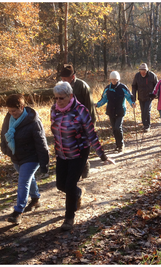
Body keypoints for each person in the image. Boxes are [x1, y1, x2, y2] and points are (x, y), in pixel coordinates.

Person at [51, 81, 115, 231]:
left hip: (79, 153)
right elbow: (55, 132)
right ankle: (78, 193)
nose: (58, 101)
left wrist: (103, 157)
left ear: (70, 96)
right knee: (60, 185)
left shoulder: (81, 111)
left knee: (69, 184)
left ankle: (69, 217)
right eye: (55, 98)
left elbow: (92, 135)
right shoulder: (54, 109)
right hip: (62, 153)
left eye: (61, 98)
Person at [0, 94, 50, 224]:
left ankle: (18, 212)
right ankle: (35, 199)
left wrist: (44, 163)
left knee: (23, 182)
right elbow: (3, 134)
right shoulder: (9, 118)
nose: (12, 113)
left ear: (22, 107)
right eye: (10, 111)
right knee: (28, 178)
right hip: (17, 156)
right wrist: (5, 149)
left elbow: (41, 142)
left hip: (32, 157)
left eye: (14, 111)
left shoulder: (33, 121)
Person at [60, 64, 96, 179]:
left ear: (73, 76)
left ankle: (84, 166)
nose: (63, 81)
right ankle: (77, 168)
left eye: (65, 79)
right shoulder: (62, 87)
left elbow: (90, 107)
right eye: (62, 79)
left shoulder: (82, 86)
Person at [96, 71, 136, 153]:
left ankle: (121, 145)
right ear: (110, 79)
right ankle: (117, 145)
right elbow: (104, 99)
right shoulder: (108, 88)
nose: (114, 81)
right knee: (114, 129)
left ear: (118, 79)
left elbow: (129, 96)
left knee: (118, 127)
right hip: (111, 111)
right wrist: (98, 104)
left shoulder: (122, 87)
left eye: (115, 79)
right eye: (112, 79)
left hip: (120, 110)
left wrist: (132, 103)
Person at [131, 63, 158, 132]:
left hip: (149, 97)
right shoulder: (137, 76)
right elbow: (134, 86)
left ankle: (147, 126)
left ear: (147, 71)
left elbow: (157, 85)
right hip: (141, 96)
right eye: (141, 72)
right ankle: (144, 124)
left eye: (144, 72)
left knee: (147, 110)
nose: (142, 73)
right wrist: (133, 97)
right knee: (143, 111)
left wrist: (155, 95)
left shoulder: (152, 75)